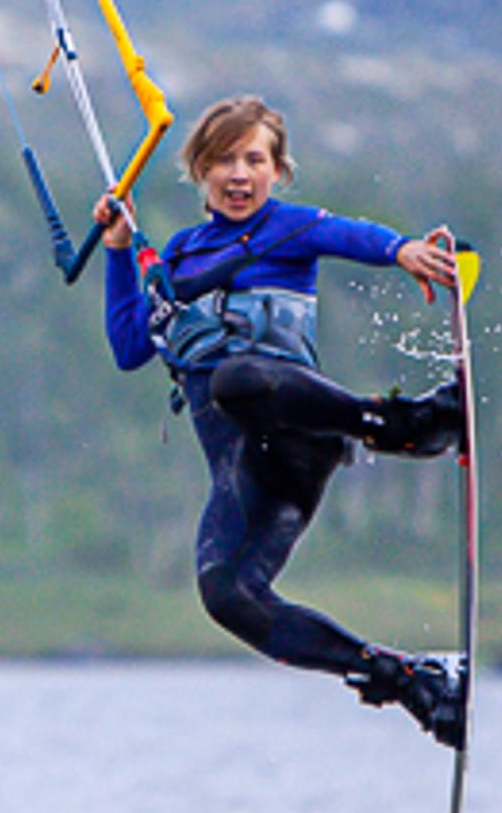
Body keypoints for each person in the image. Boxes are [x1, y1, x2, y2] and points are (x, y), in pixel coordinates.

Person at [94, 94, 470, 747]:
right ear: (199, 170)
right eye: (223, 160)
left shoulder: (286, 228)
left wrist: (402, 249)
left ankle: (405, 424)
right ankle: (406, 679)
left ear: (277, 170)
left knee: (237, 376)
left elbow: (347, 234)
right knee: (224, 592)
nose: (239, 174)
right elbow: (130, 347)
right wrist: (119, 251)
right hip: (249, 472)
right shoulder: (178, 259)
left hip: (300, 435)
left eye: (254, 159)